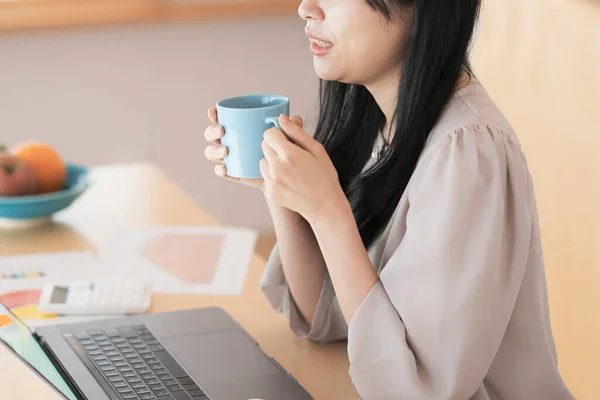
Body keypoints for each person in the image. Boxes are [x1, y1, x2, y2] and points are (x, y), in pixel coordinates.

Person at [204, 0, 575, 398]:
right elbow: (325, 318)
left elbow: (416, 390)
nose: (305, 8)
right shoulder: (379, 119)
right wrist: (280, 185)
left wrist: (328, 211)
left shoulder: (466, 151)